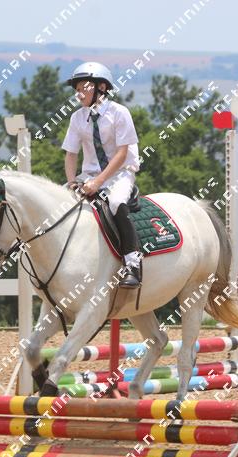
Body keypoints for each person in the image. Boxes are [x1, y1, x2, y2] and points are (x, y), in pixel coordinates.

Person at [62, 62, 141, 288]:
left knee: (116, 203)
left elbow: (122, 153)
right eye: (77, 89)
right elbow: (70, 154)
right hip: (88, 175)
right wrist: (71, 182)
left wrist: (99, 182)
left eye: (83, 88)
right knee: (61, 204)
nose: (78, 94)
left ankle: (132, 264)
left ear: (102, 88)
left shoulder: (119, 113)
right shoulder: (77, 118)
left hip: (120, 173)